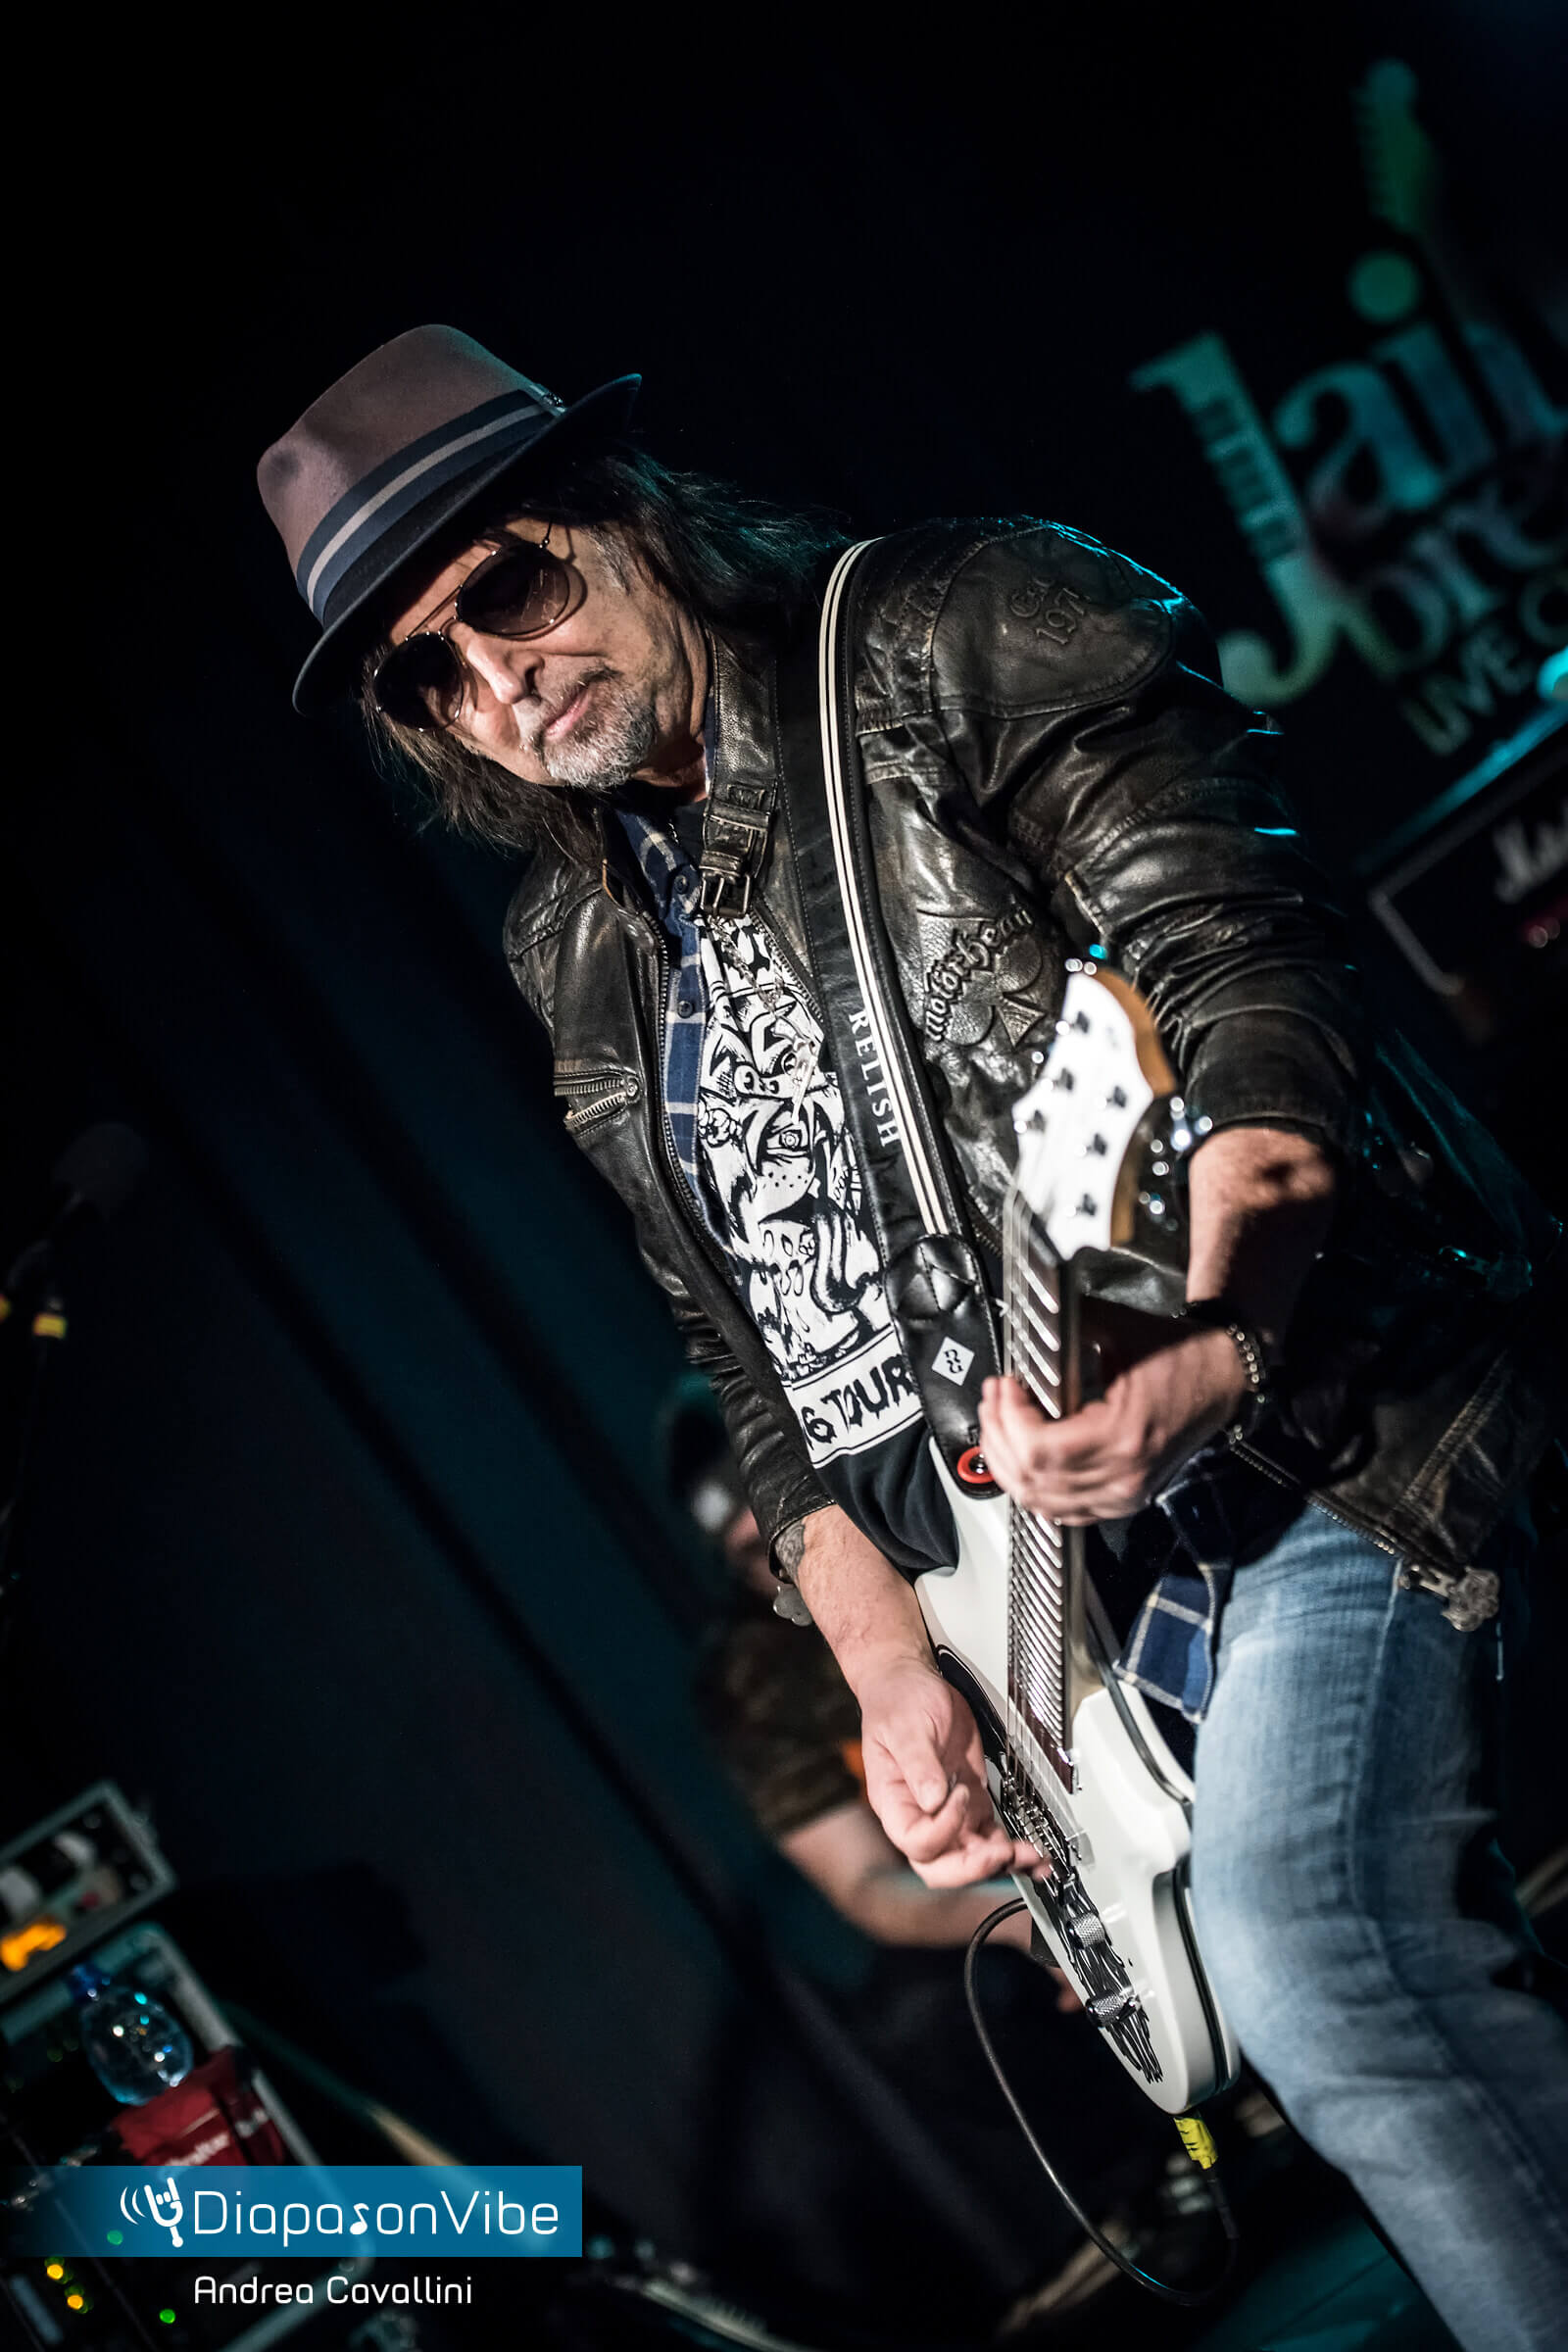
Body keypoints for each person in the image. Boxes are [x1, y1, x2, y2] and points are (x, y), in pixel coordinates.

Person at [258, 326, 1567, 2351]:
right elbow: (756, 1366)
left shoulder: (958, 630)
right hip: (1043, 1599)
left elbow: (1245, 986)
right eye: (429, 675)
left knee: (1319, 1955)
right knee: (1304, 1999)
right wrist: (890, 1676)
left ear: (623, 515)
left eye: (507, 588)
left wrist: (1219, 1336)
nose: (497, 679)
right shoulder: (580, 948)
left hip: (1324, 1423)